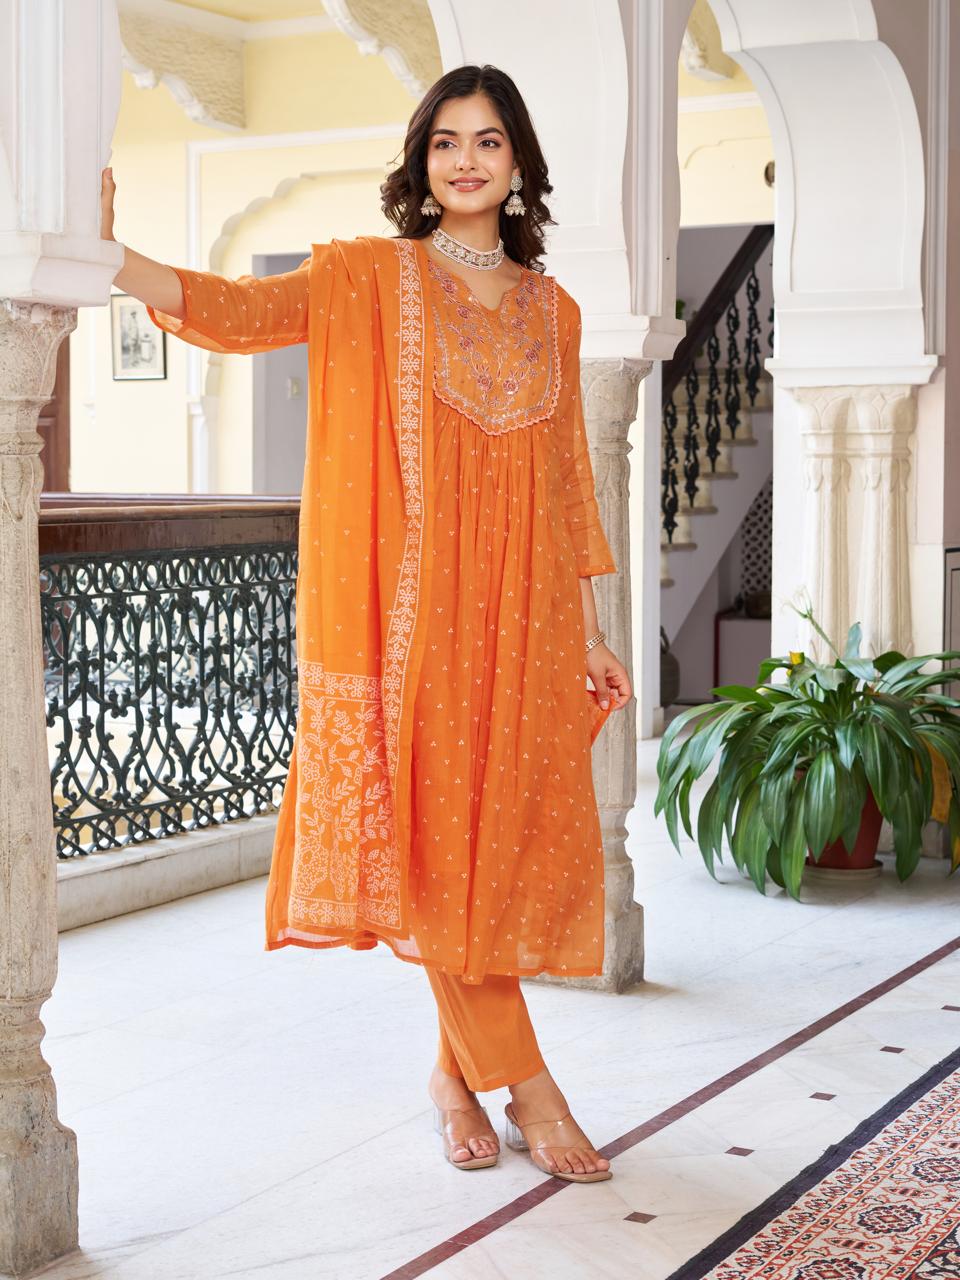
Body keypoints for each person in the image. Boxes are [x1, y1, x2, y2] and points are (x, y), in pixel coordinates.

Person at [100, 63, 631, 1184]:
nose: (466, 161)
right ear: (421, 162)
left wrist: (588, 629)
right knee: (432, 844)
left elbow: (565, 483)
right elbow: (246, 312)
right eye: (446, 142)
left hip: (524, 614)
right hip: (407, 616)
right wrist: (113, 258)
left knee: (491, 850)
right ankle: (531, 1085)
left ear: (519, 166)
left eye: (488, 141)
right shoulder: (370, 278)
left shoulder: (554, 310)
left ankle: (451, 1078)